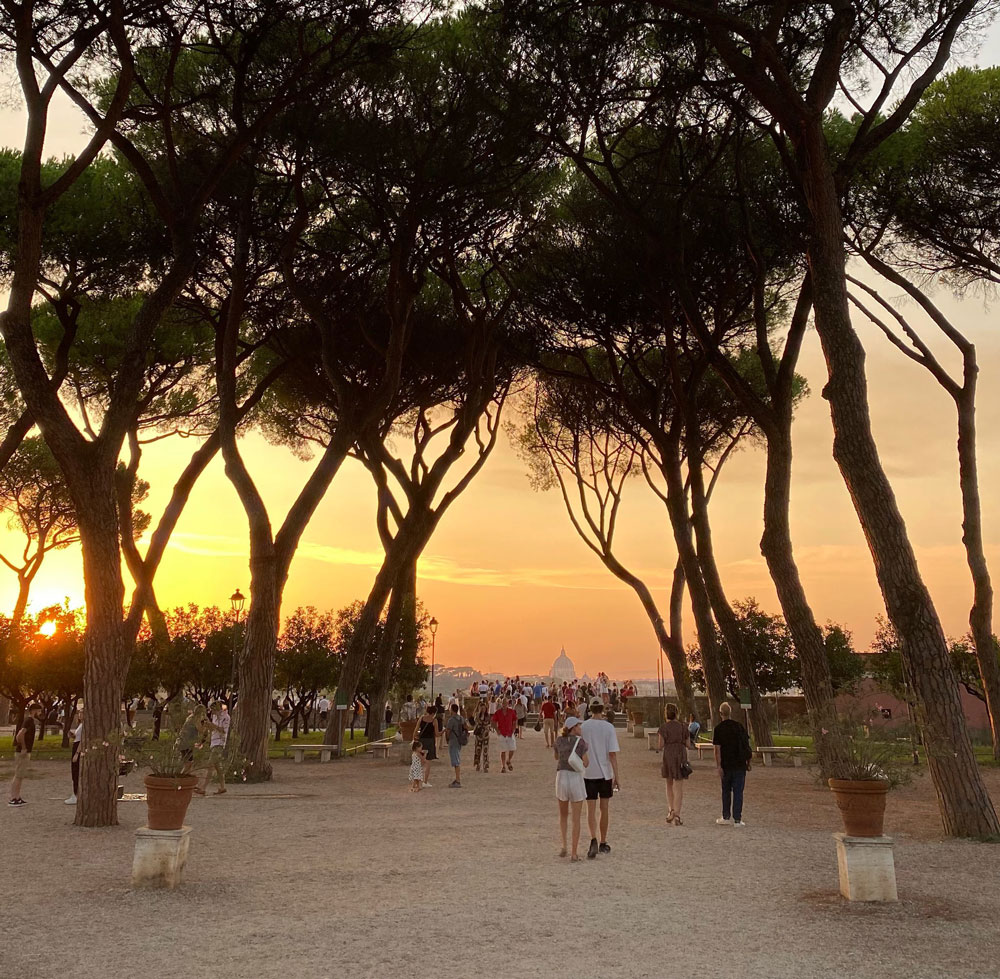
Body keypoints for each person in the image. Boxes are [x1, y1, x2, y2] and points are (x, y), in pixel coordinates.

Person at [580, 699, 620, 858]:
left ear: (590, 709)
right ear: (602, 709)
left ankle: (593, 838)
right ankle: (603, 841)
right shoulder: (608, 727)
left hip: (588, 772)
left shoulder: (584, 727)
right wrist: (617, 776)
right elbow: (612, 754)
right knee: (604, 809)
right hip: (604, 772)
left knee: (590, 809)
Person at [554, 715, 590, 861]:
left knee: (563, 815)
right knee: (576, 818)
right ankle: (574, 853)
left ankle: (564, 846)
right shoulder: (580, 742)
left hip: (561, 776)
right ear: (573, 728)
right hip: (575, 777)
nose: (580, 728)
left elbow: (556, 758)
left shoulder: (558, 741)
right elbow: (586, 762)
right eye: (578, 726)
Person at [713, 702, 752, 826]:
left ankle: (726, 816)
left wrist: (719, 766)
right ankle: (737, 819)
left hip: (726, 764)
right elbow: (746, 746)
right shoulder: (739, 727)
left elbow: (717, 750)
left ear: (720, 714)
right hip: (739, 763)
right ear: (730, 713)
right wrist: (748, 761)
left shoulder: (718, 729)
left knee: (726, 791)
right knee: (738, 792)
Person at [659, 704, 689, 825]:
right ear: (677, 713)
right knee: (679, 786)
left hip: (669, 754)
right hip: (680, 754)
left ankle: (671, 809)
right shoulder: (683, 727)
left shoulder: (663, 728)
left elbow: (660, 745)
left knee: (669, 783)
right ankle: (677, 814)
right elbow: (688, 744)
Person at [8, 704, 41, 806]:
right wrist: (23, 747)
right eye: (39, 711)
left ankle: (17, 797)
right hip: (22, 752)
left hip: (26, 751)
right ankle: (13, 798)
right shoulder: (28, 721)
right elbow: (19, 735)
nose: (40, 713)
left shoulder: (30, 721)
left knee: (20, 775)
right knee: (18, 775)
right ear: (34, 711)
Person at [196, 701, 230, 796]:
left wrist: (212, 725)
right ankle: (222, 787)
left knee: (210, 765)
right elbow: (213, 729)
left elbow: (223, 730)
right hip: (214, 742)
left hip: (220, 743)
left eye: (213, 710)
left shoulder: (226, 718)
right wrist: (208, 725)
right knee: (218, 767)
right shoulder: (215, 717)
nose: (212, 712)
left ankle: (203, 788)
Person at [445, 704, 472, 787]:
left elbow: (448, 731)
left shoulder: (451, 720)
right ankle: (457, 779)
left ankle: (458, 780)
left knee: (456, 761)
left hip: (453, 741)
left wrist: (447, 739)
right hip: (459, 741)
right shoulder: (461, 718)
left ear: (452, 710)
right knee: (457, 758)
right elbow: (467, 727)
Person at [176, 704, 207, 774]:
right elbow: (201, 730)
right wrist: (206, 725)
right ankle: (181, 778)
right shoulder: (195, 719)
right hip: (186, 743)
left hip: (183, 742)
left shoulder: (191, 717)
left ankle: (184, 779)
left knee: (187, 763)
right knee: (188, 764)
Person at [492, 697, 518, 773]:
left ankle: (508, 760)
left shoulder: (511, 711)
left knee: (512, 748)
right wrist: (497, 730)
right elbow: (493, 721)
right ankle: (503, 766)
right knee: (502, 750)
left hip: (509, 732)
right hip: (502, 733)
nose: (504, 705)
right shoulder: (498, 712)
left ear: (507, 704)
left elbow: (515, 720)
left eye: (505, 703)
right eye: (503, 703)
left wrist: (513, 729)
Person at [65, 708, 84, 805]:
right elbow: (78, 737)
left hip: (78, 748)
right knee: (74, 772)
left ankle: (76, 794)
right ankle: (76, 792)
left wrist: (77, 753)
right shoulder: (80, 725)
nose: (80, 715)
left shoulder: (85, 725)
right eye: (80, 713)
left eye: (82, 713)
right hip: (76, 745)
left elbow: (82, 740)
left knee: (76, 771)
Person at [417, 705, 438, 787]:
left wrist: (415, 738)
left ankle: (417, 780)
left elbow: (416, 730)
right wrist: (443, 731)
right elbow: (437, 733)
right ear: (433, 713)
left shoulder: (421, 718)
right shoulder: (434, 720)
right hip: (430, 741)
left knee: (420, 761)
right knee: (428, 762)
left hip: (421, 741)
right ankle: (425, 781)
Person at [473, 702, 491, 772]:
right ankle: (478, 764)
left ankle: (485, 766)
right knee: (478, 750)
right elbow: (474, 721)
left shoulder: (488, 716)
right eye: (482, 708)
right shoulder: (477, 715)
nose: (483, 709)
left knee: (485, 751)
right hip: (479, 735)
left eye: (484, 708)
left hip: (485, 735)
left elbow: (489, 723)